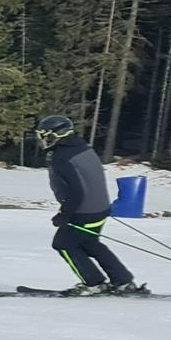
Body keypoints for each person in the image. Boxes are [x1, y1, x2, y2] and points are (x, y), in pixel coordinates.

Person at [38, 114, 144, 295]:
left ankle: (93, 283)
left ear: (56, 134)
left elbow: (76, 191)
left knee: (63, 244)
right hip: (100, 209)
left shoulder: (61, 156)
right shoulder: (81, 146)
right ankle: (123, 281)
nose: (42, 139)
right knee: (90, 243)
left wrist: (64, 215)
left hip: (84, 212)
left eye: (44, 134)